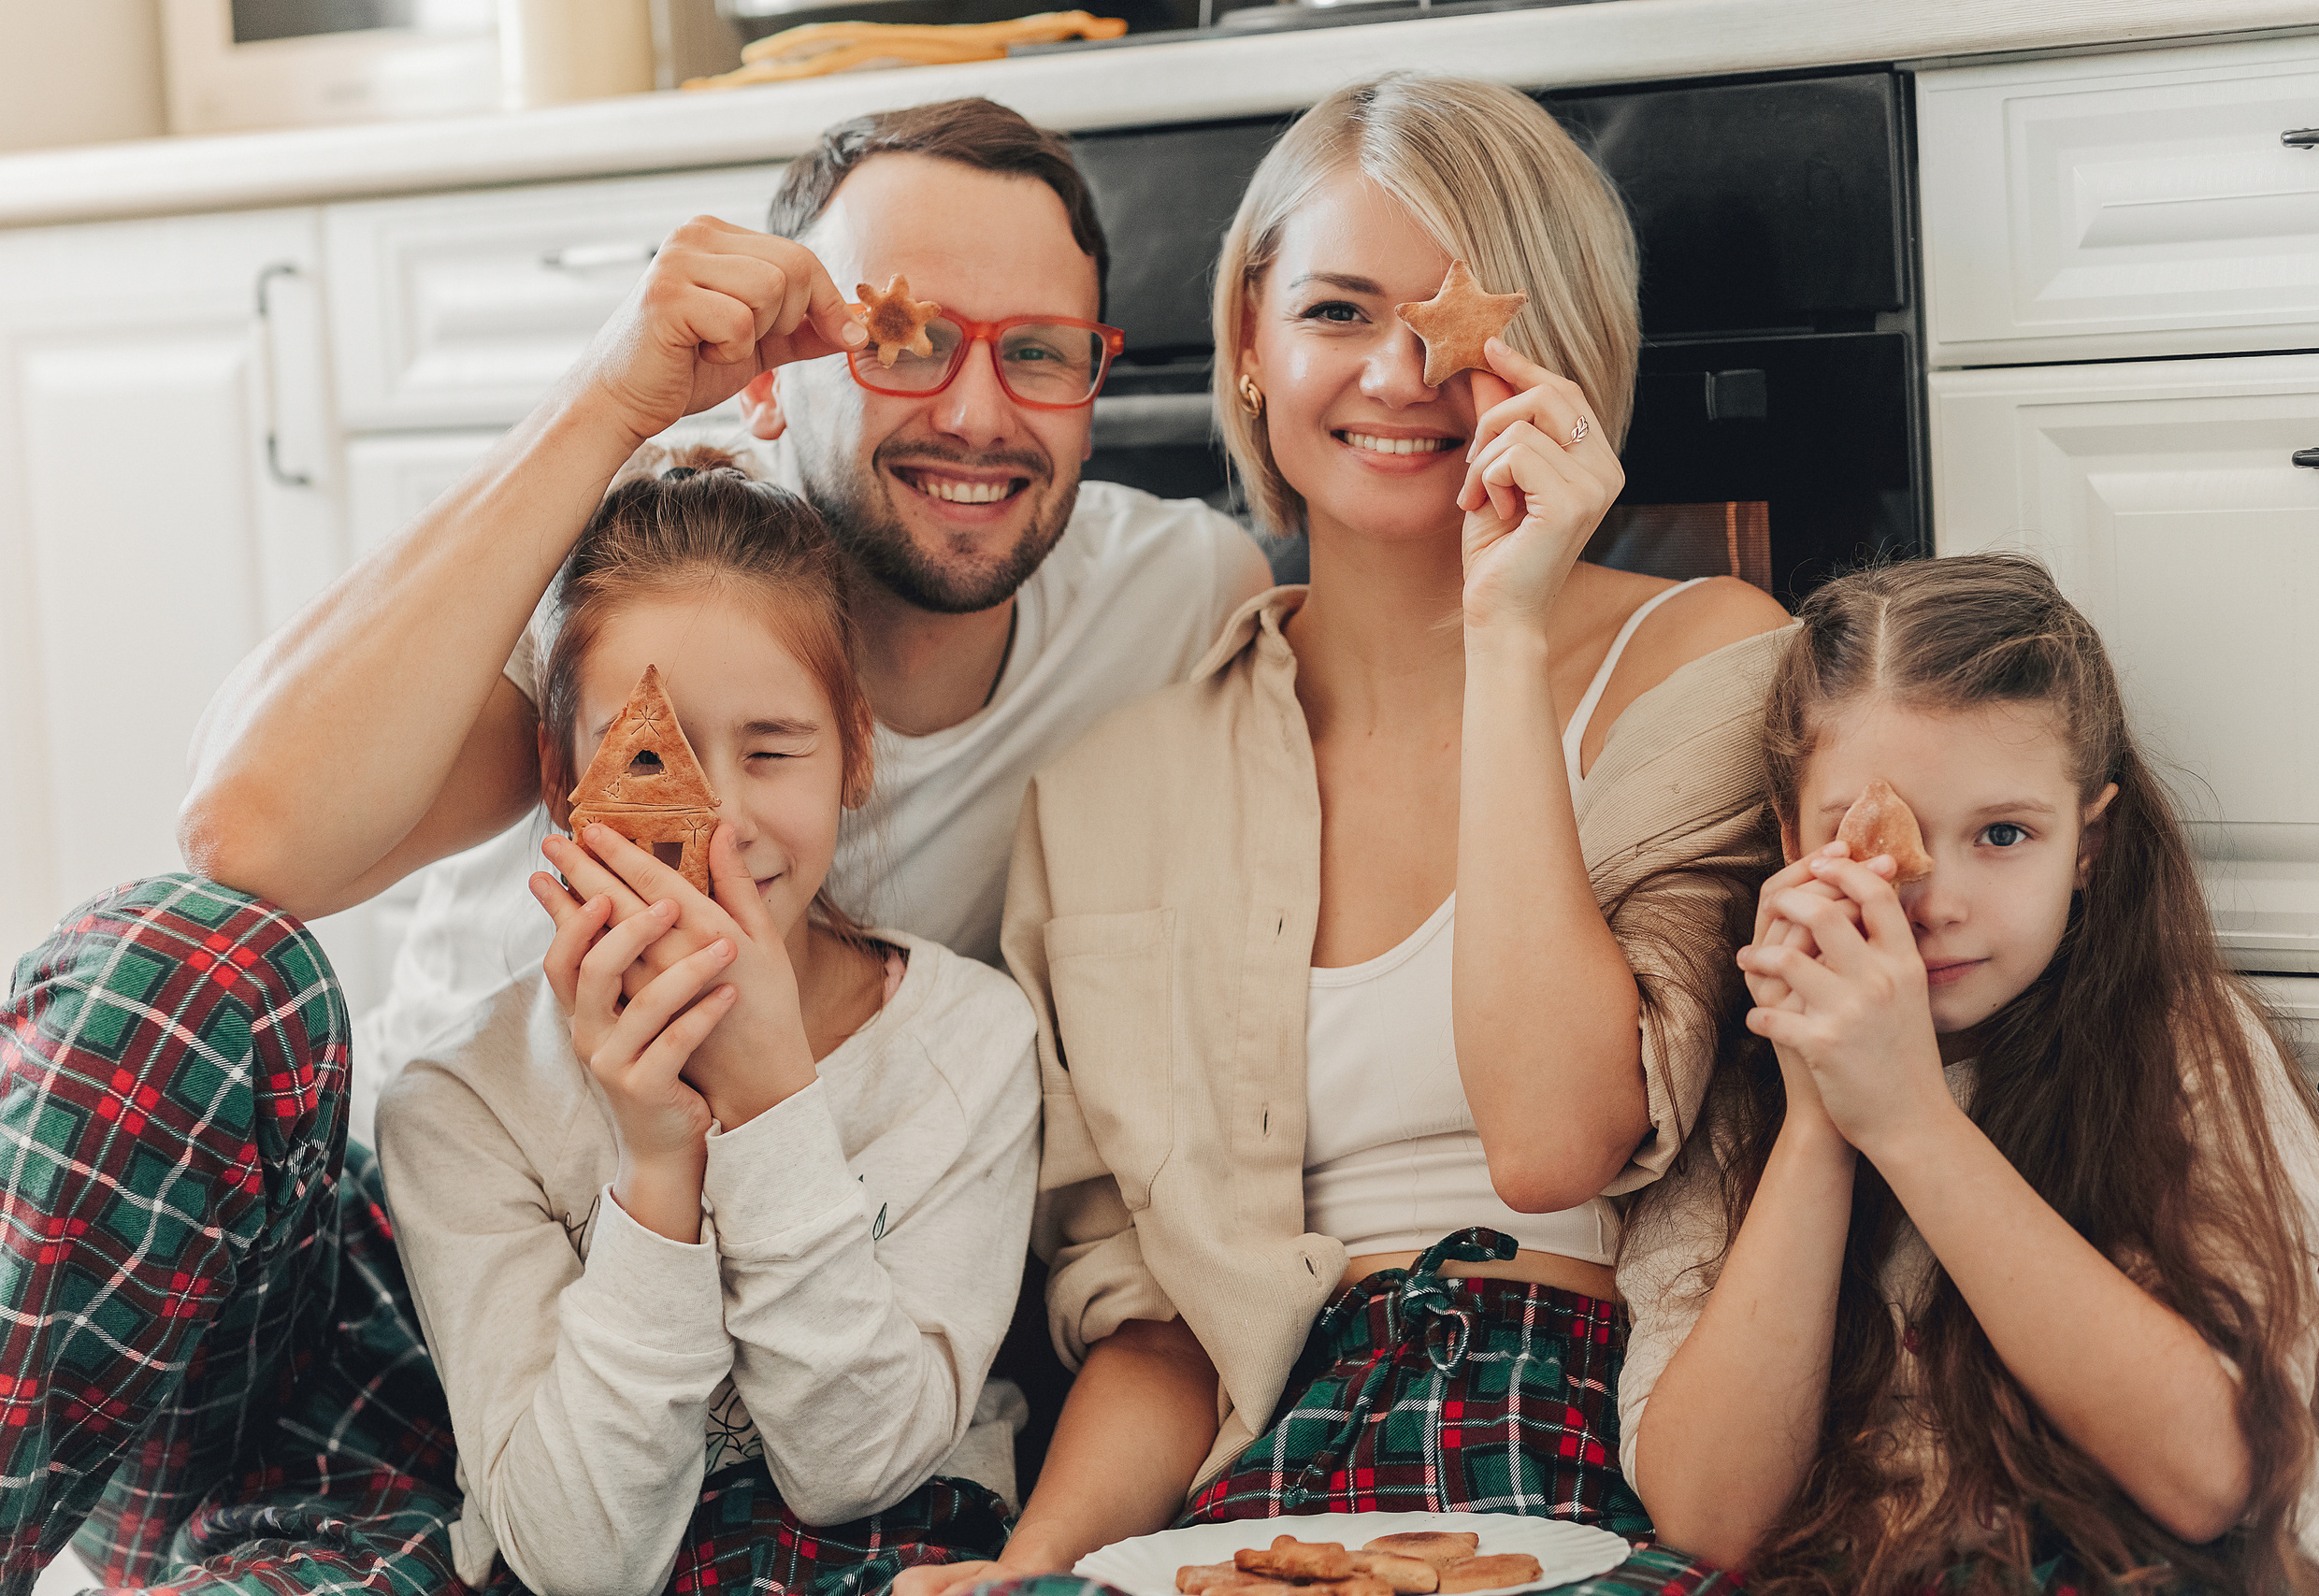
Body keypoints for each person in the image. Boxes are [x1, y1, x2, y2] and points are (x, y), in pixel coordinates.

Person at [901, 73, 1788, 1596]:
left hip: (1598, 1426)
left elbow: (1555, 1136)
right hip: (1265, 1461)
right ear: (1249, 343)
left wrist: (1506, 633)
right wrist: (1033, 1562)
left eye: (1456, 325)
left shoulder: (1708, 658)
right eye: (1333, 311)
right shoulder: (1113, 785)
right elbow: (1159, 1322)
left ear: (1560, 353)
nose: (1400, 371)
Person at [175, 98, 1269, 1115]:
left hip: (800, 1234)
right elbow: (247, 844)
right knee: (141, 966)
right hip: (446, 1202)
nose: (978, 414)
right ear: (768, 381)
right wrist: (604, 401)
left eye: (1036, 352)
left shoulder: (1179, 597)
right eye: (908, 342)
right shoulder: (635, 562)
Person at [1615, 555, 2319, 1594]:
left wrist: (1907, 1119)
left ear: (2088, 845)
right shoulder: (1743, 1078)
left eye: (2002, 835)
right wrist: (1817, 1125)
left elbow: (2210, 1481)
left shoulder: (2181, 1047)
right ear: (1794, 838)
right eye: (1875, 837)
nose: (1935, 900)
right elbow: (1714, 1516)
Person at [376, 448, 1039, 1596]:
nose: (712, 825)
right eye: (648, 758)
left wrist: (774, 1103)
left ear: (856, 756)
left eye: (772, 750)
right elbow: (581, 1559)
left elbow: (856, 1467)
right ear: (559, 776)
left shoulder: (970, 1045)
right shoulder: (461, 1105)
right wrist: (656, 1166)